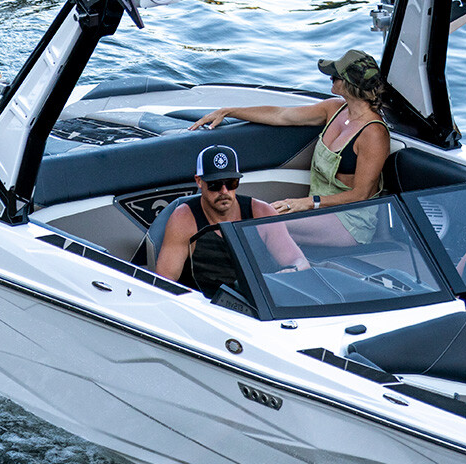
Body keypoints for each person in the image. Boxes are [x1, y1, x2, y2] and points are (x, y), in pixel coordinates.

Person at [189, 49, 390, 247]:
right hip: (318, 208)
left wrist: (307, 202)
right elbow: (281, 115)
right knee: (250, 216)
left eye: (335, 76)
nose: (331, 78)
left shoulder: (373, 133)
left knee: (261, 223)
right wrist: (229, 111)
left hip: (350, 220)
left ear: (349, 84)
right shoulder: (334, 108)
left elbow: (361, 195)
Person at [156, 144, 309, 292]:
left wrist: (291, 271)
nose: (224, 191)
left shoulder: (262, 212)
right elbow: (164, 282)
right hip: (206, 303)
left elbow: (300, 262)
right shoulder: (184, 219)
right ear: (199, 181)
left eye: (231, 183)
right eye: (215, 184)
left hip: (259, 301)